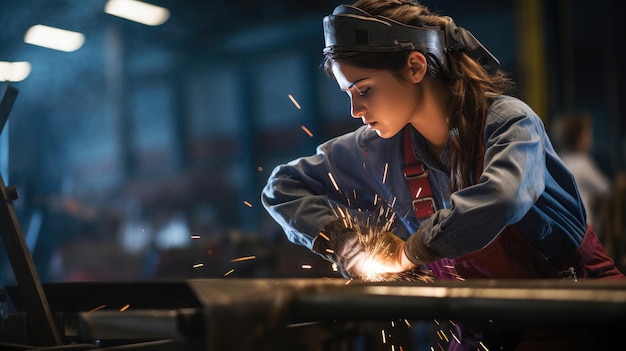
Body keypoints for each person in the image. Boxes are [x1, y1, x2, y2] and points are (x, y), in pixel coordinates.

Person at [262, 0, 625, 349]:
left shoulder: (509, 123)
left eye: (365, 89)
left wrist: (409, 252)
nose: (356, 110)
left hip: (578, 315)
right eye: (348, 94)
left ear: (416, 67)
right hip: (481, 333)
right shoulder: (379, 147)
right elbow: (282, 188)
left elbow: (503, 197)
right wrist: (344, 243)